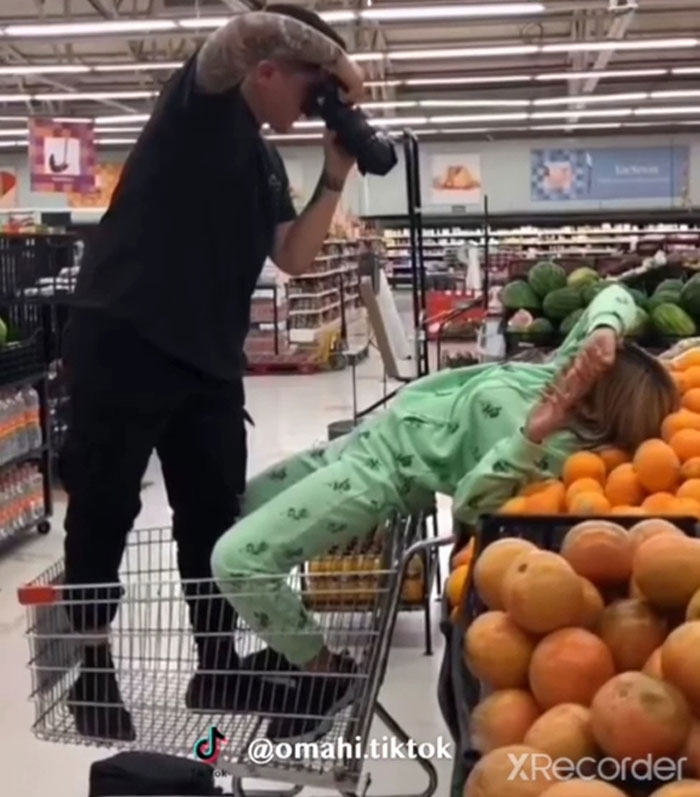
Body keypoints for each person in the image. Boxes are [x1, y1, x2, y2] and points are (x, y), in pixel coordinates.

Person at [60, 5, 363, 742]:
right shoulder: (200, 105)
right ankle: (91, 667)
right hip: (124, 337)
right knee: (104, 507)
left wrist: (334, 173)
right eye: (310, 86)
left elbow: (292, 257)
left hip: (206, 358)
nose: (316, 101)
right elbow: (249, 28)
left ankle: (215, 660)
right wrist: (342, 65)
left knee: (213, 512)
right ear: (267, 73)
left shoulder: (262, 157)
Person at [210, 284, 679, 741]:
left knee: (238, 562)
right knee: (234, 508)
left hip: (382, 475)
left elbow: (472, 502)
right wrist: (603, 330)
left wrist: (529, 437)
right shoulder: (564, 375)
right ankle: (283, 649)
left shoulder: (559, 452)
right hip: (370, 436)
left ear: (606, 405)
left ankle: (326, 673)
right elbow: (614, 295)